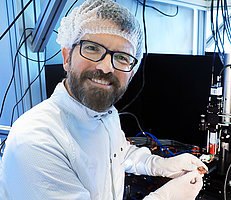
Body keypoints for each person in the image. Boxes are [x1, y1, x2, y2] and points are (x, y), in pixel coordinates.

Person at [0, 0, 207, 199]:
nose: (106, 67)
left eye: (122, 57)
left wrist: (158, 165)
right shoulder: (38, 140)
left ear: (132, 73)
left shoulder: (104, 114)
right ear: (66, 57)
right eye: (92, 48)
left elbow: (117, 154)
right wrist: (166, 197)